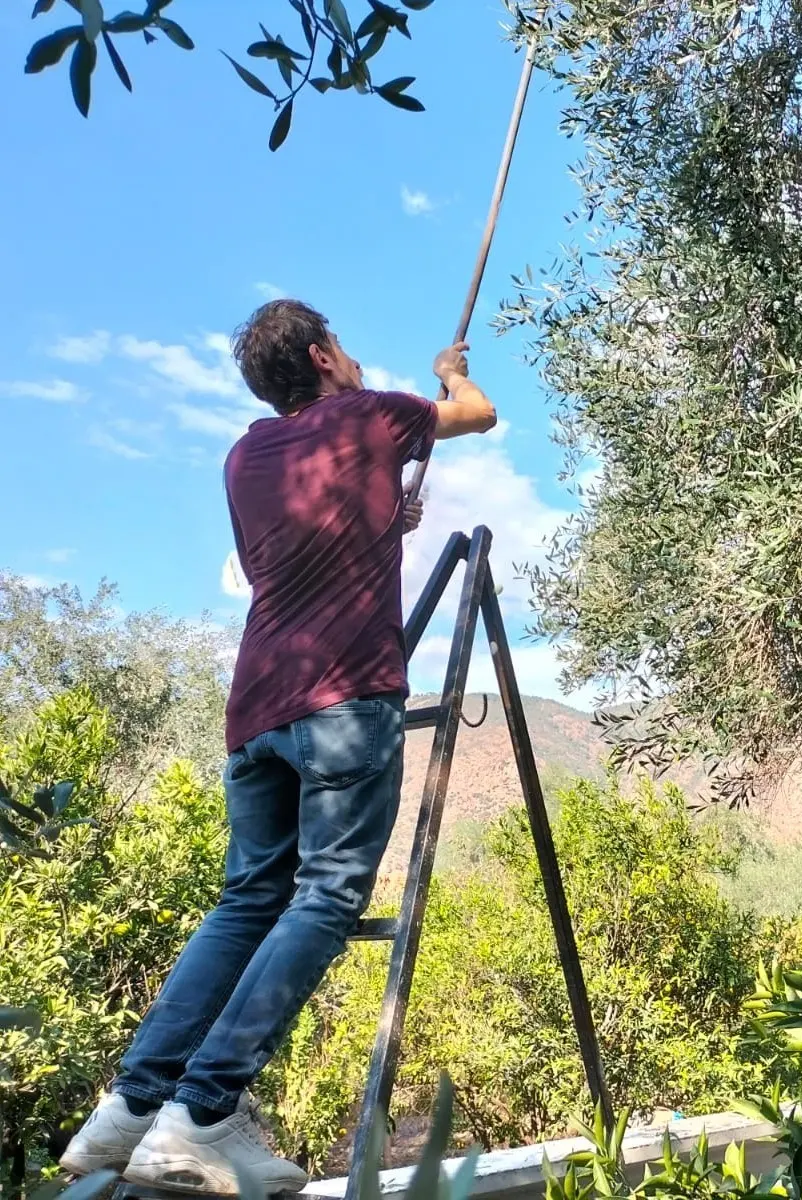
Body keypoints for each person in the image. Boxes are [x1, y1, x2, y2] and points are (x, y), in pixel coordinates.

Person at [60, 299, 498, 1195]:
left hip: (258, 706)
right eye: (342, 343)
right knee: (328, 896)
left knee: (245, 901)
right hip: (342, 696)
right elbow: (477, 415)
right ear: (322, 353)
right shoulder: (371, 413)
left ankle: (129, 1110)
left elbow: (282, 557)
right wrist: (448, 374)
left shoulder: (244, 456)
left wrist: (381, 514)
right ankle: (204, 1113)